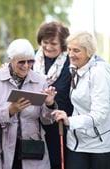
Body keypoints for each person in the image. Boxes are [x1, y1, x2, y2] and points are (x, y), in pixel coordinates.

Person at [0, 39, 57, 169]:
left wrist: (49, 104)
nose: (26, 66)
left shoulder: (40, 80)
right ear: (11, 60)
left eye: (30, 61)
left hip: (31, 146)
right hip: (0, 145)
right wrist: (9, 110)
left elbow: (47, 120)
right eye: (21, 61)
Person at [52, 31, 110, 169]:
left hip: (102, 144)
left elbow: (99, 114)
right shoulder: (75, 70)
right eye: (69, 49)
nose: (71, 54)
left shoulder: (98, 74)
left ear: (89, 52)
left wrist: (69, 121)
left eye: (76, 50)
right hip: (78, 142)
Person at [33, 21, 73, 169]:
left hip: (60, 125)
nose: (48, 47)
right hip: (35, 123)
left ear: (62, 45)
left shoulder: (71, 61)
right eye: (45, 42)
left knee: (57, 163)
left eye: (53, 44)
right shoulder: (32, 59)